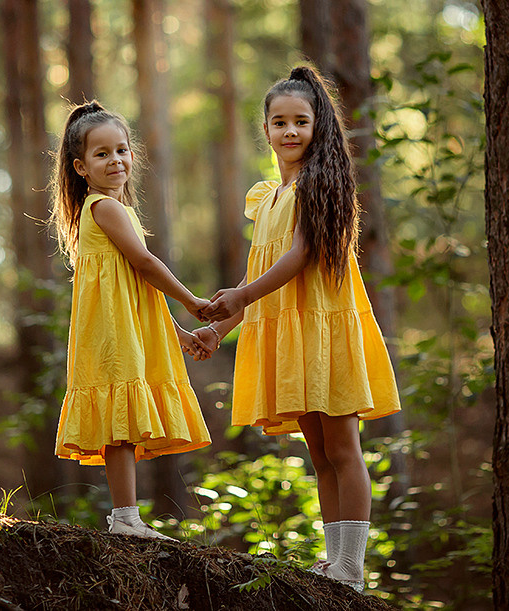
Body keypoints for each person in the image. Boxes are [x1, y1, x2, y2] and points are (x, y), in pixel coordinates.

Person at [194, 66, 401, 590]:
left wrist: (242, 295)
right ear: (264, 128)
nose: (289, 131)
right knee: (318, 454)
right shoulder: (266, 196)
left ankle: (352, 568)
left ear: (318, 127)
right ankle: (334, 561)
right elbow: (259, 271)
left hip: (324, 328)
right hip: (288, 332)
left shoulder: (319, 182)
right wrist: (224, 327)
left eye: (300, 122)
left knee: (342, 448)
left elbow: (301, 255)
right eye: (279, 122)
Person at [50, 101, 213, 541]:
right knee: (119, 423)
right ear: (81, 167)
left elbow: (136, 289)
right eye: (102, 154)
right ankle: (124, 518)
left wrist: (176, 332)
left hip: (123, 327)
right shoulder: (104, 207)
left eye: (121, 150)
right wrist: (192, 301)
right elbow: (144, 263)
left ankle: (126, 516)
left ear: (132, 156)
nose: (115, 160)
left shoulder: (112, 210)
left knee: (120, 425)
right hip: (111, 333)